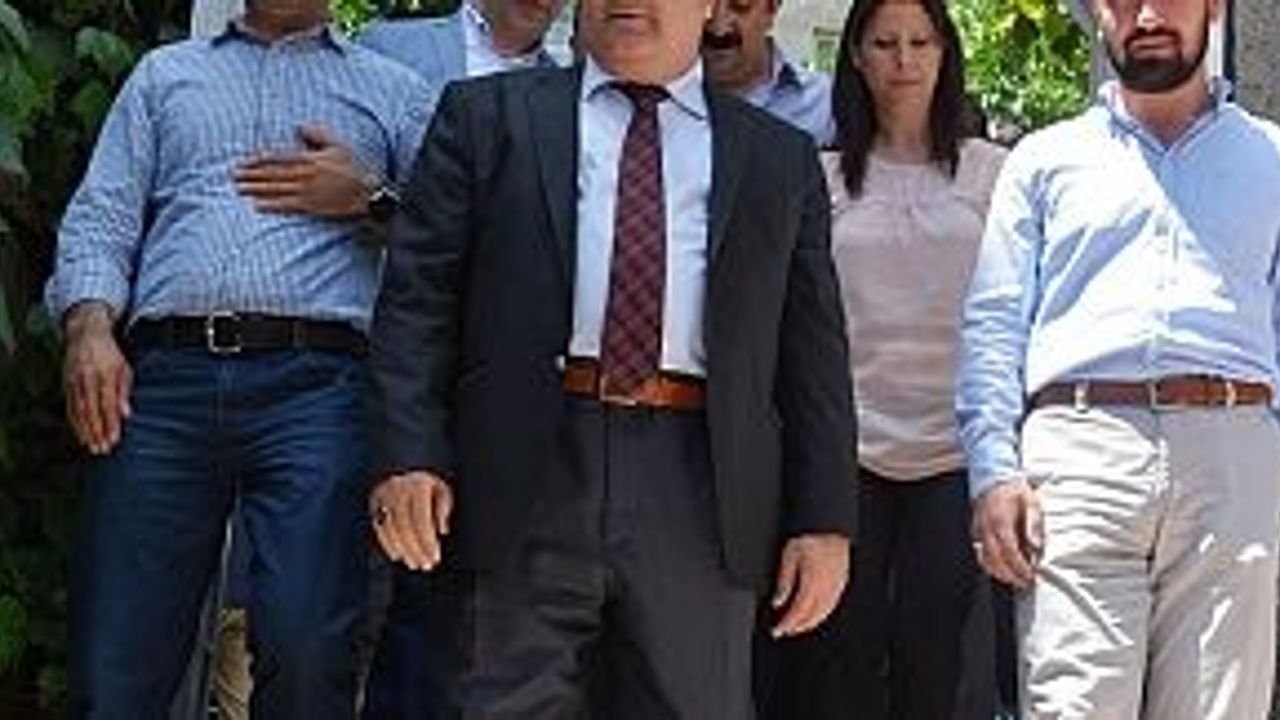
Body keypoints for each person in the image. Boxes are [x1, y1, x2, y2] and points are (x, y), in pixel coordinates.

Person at [366, 0, 860, 712]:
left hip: (702, 483)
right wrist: (408, 454)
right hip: (521, 469)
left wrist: (825, 519)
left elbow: (812, 354)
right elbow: (418, 302)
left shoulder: (778, 159)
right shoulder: (486, 119)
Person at [45, 0, 432, 716]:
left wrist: (370, 198)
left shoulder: (395, 91)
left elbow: (454, 239)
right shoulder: (164, 76)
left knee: (307, 642)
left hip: (319, 387)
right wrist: (89, 329)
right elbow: (101, 218)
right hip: (162, 382)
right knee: (117, 655)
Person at [957, 0, 1280, 713]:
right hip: (1080, 456)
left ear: (1215, 7)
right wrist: (993, 472)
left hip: (1235, 455)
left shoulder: (1272, 160)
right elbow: (993, 327)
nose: (1148, 15)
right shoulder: (1043, 160)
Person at [757, 0, 1004, 717]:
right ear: (856, 56)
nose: (904, 60)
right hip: (847, 456)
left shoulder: (995, 174)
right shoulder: (820, 177)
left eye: (920, 42)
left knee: (943, 668)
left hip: (957, 455)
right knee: (840, 667)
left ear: (945, 53)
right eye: (885, 42)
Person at [701, 0, 834, 143]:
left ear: (771, 10)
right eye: (704, 3)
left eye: (739, 6)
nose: (717, 23)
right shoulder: (682, 93)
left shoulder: (823, 102)